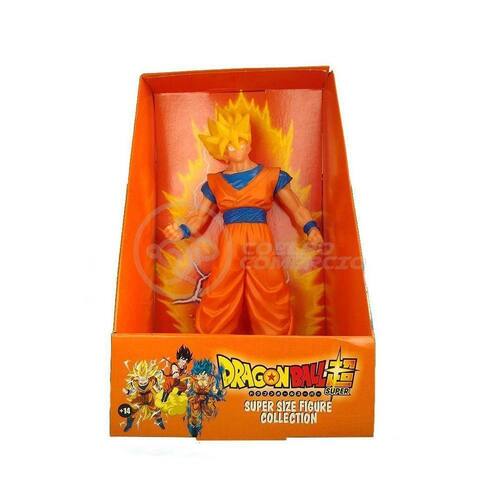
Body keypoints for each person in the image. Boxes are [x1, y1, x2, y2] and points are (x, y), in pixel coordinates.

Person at [164, 107, 323, 335]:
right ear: (222, 153)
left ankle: (275, 343)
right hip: (231, 239)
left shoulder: (272, 176)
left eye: (241, 141)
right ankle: (211, 343)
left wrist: (311, 228)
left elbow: (296, 207)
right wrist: (182, 230)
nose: (237, 147)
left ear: (249, 144)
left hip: (261, 237)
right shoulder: (215, 183)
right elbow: (199, 216)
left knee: (269, 286)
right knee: (222, 288)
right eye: (230, 145)